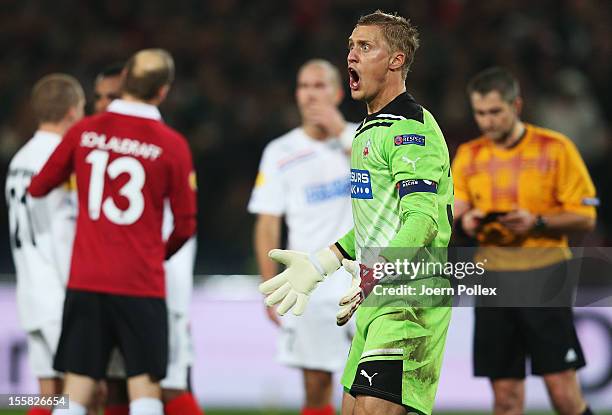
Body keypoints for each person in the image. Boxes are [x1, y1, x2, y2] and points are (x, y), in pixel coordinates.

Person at [260, 11, 454, 415]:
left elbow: (422, 221)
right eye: (350, 45)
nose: (351, 55)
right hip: (378, 297)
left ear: (396, 60)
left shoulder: (409, 128)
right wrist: (320, 263)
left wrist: (373, 272)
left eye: (365, 47)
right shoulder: (368, 129)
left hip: (408, 300)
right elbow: (374, 224)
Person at [28, 49, 197, 415]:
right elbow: (186, 226)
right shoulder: (172, 145)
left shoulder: (84, 131)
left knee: (77, 387)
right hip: (140, 283)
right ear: (163, 91)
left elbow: (39, 186)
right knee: (145, 386)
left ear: (125, 82)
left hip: (86, 281)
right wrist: (156, 254)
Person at [452, 67, 597, 415]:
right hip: (493, 278)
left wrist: (538, 222)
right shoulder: (469, 154)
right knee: (505, 398)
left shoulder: (555, 148)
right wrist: (465, 217)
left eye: (495, 112)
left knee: (562, 393)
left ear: (516, 105)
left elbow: (585, 216)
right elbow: (455, 205)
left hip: (545, 274)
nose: (486, 121)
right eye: (480, 113)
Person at [92, 62, 203, 415]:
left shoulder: (154, 145)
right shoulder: (100, 145)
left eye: (112, 96)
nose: (104, 104)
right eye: (99, 97)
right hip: (115, 282)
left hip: (154, 282)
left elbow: (183, 224)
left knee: (165, 384)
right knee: (115, 386)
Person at [248, 59, 357, 415]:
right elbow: (267, 223)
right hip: (309, 285)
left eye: (319, 86)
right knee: (315, 389)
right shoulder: (280, 152)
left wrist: (340, 130)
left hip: (363, 282)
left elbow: (382, 180)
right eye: (303, 86)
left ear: (339, 92)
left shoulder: (361, 138)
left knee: (371, 390)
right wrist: (270, 285)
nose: (310, 95)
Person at [6, 74, 84, 415]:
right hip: (57, 290)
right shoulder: (59, 160)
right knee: (83, 392)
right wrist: (80, 289)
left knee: (49, 396)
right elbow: (62, 230)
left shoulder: (19, 159)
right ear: (70, 112)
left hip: (30, 290)